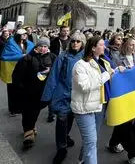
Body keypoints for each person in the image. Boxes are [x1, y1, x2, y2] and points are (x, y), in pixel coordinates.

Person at [71, 36, 124, 164]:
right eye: (101, 45)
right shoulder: (80, 65)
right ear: (93, 48)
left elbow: (112, 73)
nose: (104, 47)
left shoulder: (103, 61)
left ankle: (82, 159)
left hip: (100, 104)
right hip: (85, 108)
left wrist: (119, 70)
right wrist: (106, 75)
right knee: (91, 142)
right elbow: (84, 86)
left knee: (92, 140)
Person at [41, 32, 86, 164]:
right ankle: (61, 148)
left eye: (78, 41)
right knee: (61, 120)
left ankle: (65, 136)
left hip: (78, 96)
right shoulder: (63, 57)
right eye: (73, 41)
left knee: (70, 118)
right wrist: (47, 96)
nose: (75, 43)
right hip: (63, 95)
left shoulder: (86, 58)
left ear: (82, 43)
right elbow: (53, 77)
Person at [12, 37, 55, 147]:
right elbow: (17, 75)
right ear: (37, 47)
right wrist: (21, 87)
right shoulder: (27, 58)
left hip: (43, 91)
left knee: (35, 111)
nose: (43, 48)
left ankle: (31, 126)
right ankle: (28, 133)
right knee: (28, 111)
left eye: (45, 46)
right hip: (28, 91)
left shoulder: (53, 57)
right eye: (41, 46)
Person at [107, 37, 135, 164]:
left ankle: (113, 143)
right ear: (125, 45)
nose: (133, 47)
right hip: (122, 95)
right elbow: (111, 73)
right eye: (130, 45)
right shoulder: (117, 58)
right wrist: (118, 70)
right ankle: (133, 154)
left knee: (124, 123)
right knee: (127, 125)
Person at [1, 28, 35, 116]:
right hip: (12, 71)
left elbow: (32, 54)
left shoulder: (30, 44)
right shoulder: (11, 44)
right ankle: (12, 109)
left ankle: (20, 107)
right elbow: (5, 56)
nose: (25, 35)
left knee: (22, 89)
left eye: (25, 34)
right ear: (18, 35)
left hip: (24, 71)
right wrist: (21, 56)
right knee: (12, 90)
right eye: (22, 34)